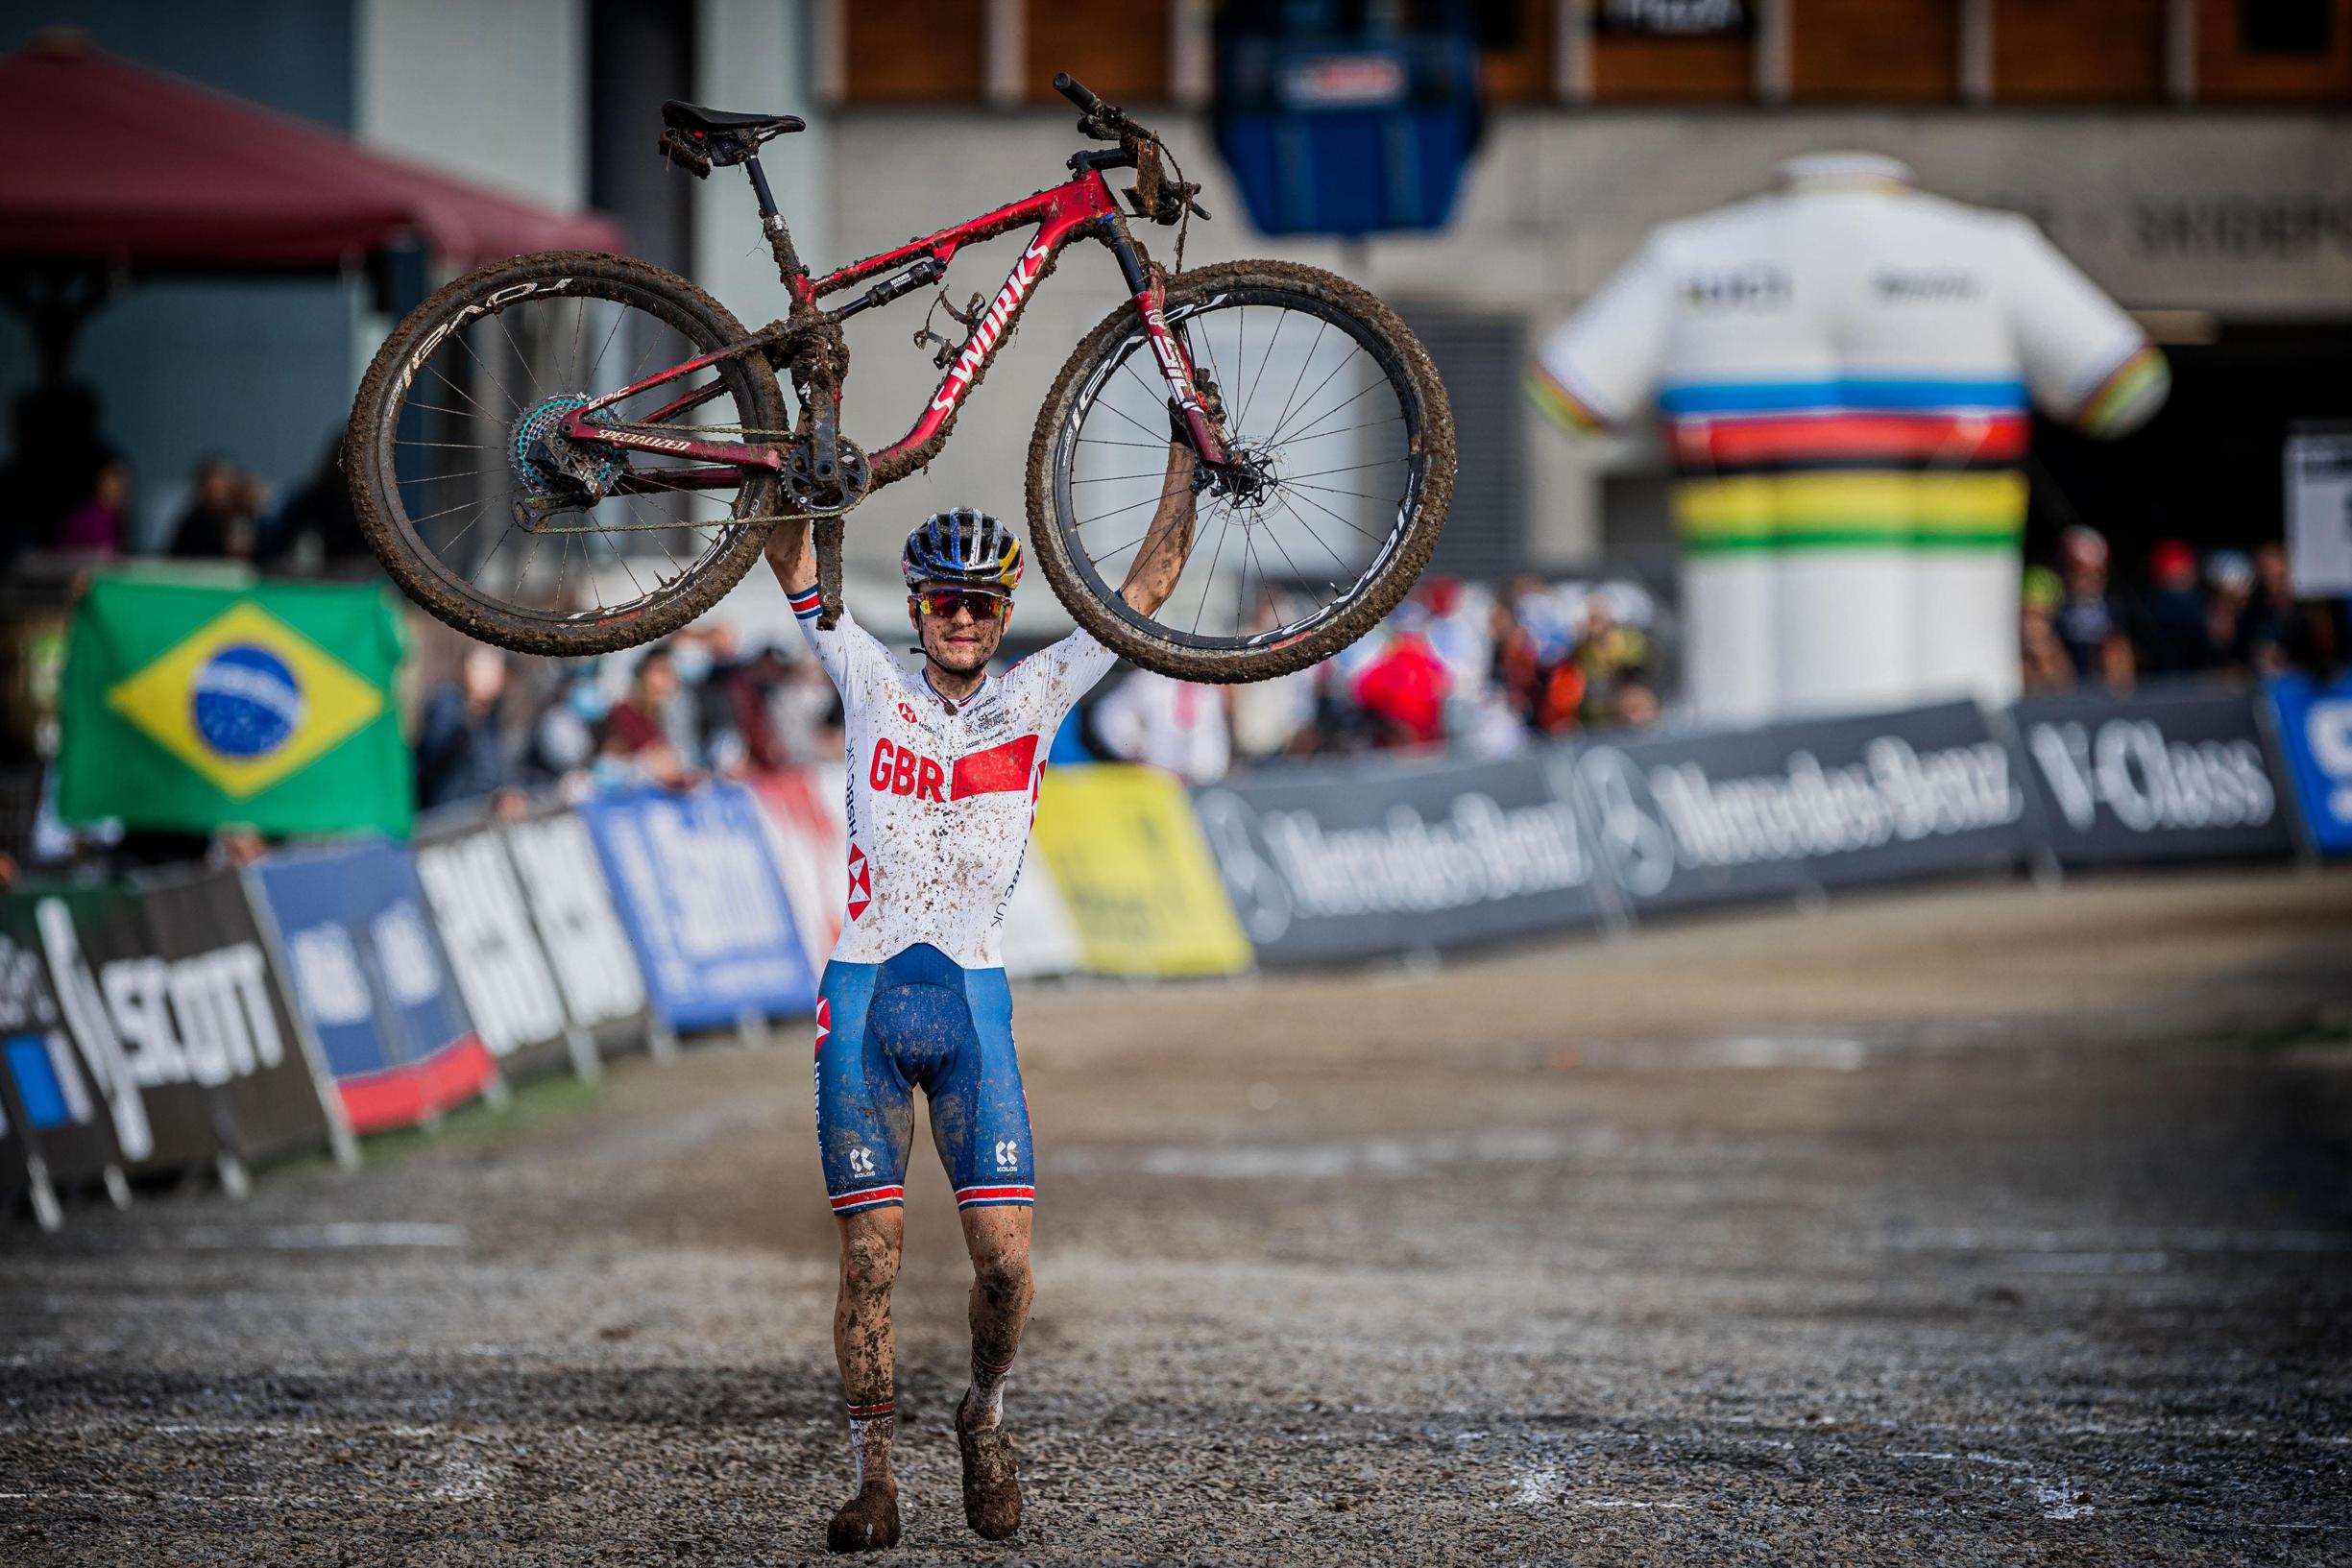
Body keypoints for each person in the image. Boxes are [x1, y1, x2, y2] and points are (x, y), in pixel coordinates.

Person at [766, 442, 1199, 1552]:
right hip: (863, 998)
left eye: (982, 603)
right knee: (870, 1258)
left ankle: (983, 1414)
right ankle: (874, 1481)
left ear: (1006, 611)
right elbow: (784, 552)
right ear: (916, 607)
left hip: (972, 1006)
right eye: (946, 602)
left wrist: (1184, 468)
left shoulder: (1038, 690)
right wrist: (783, 455)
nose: (963, 619)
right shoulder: (866, 677)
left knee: (1005, 1264)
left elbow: (1145, 590)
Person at [414, 646, 517, 811]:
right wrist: (469, 715)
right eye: (481, 668)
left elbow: (494, 769)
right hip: (443, 815)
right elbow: (434, 751)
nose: (487, 677)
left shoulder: (491, 717)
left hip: (477, 818)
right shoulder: (447, 705)